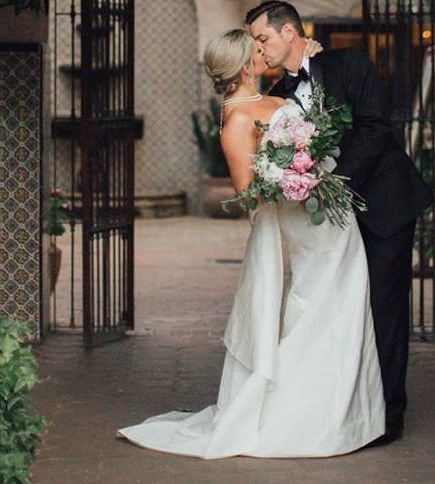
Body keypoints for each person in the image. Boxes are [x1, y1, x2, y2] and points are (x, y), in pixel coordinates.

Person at [116, 29, 385, 459]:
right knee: (317, 306)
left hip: (330, 217)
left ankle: (336, 412)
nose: (263, 51)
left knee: (344, 303)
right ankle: (300, 415)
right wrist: (292, 177)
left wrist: (309, 156)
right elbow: (247, 190)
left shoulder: (273, 95)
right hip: (303, 220)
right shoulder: (236, 118)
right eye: (256, 48)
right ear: (244, 64)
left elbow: (312, 100)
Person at [246, 1, 434, 447]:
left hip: (383, 205)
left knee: (384, 310)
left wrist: (334, 183)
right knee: (346, 310)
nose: (260, 47)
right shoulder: (278, 91)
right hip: (332, 223)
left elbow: (375, 128)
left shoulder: (349, 63)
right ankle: (350, 406)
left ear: (289, 33)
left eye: (263, 38)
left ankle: (388, 415)